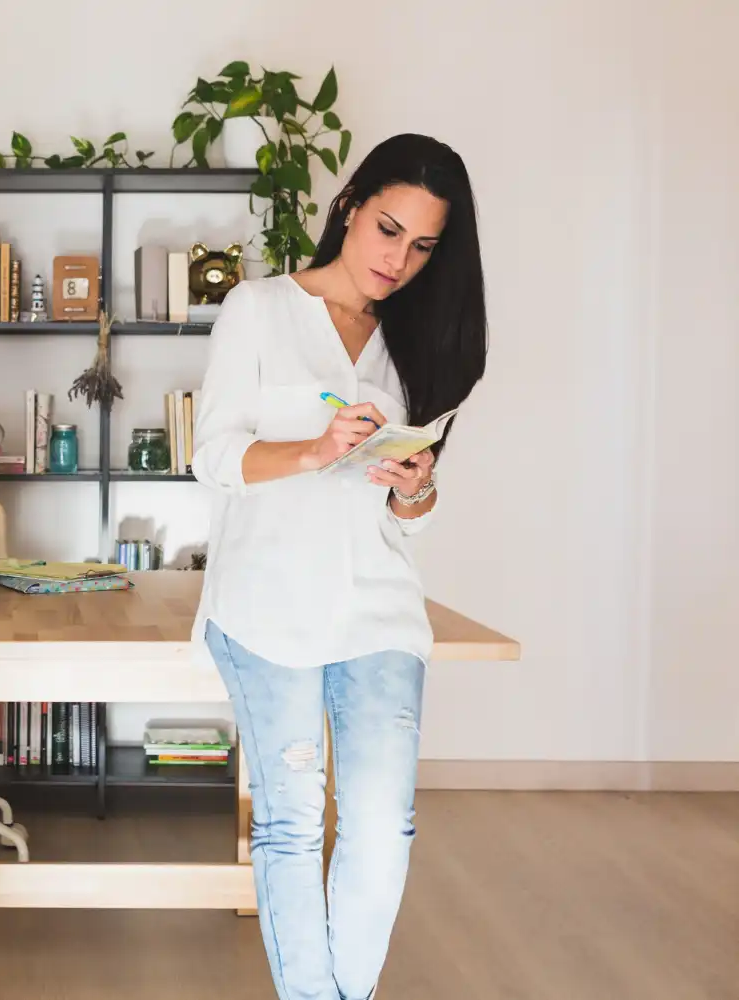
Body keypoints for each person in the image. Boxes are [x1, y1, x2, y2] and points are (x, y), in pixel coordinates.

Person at [190, 133, 488, 1000]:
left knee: (382, 827)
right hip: (266, 605)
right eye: (389, 229)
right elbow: (213, 457)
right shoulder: (258, 307)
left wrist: (415, 487)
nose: (399, 259)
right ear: (352, 205)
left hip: (379, 608)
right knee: (290, 824)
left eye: (424, 245)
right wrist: (316, 449)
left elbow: (410, 518)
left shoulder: (417, 342)